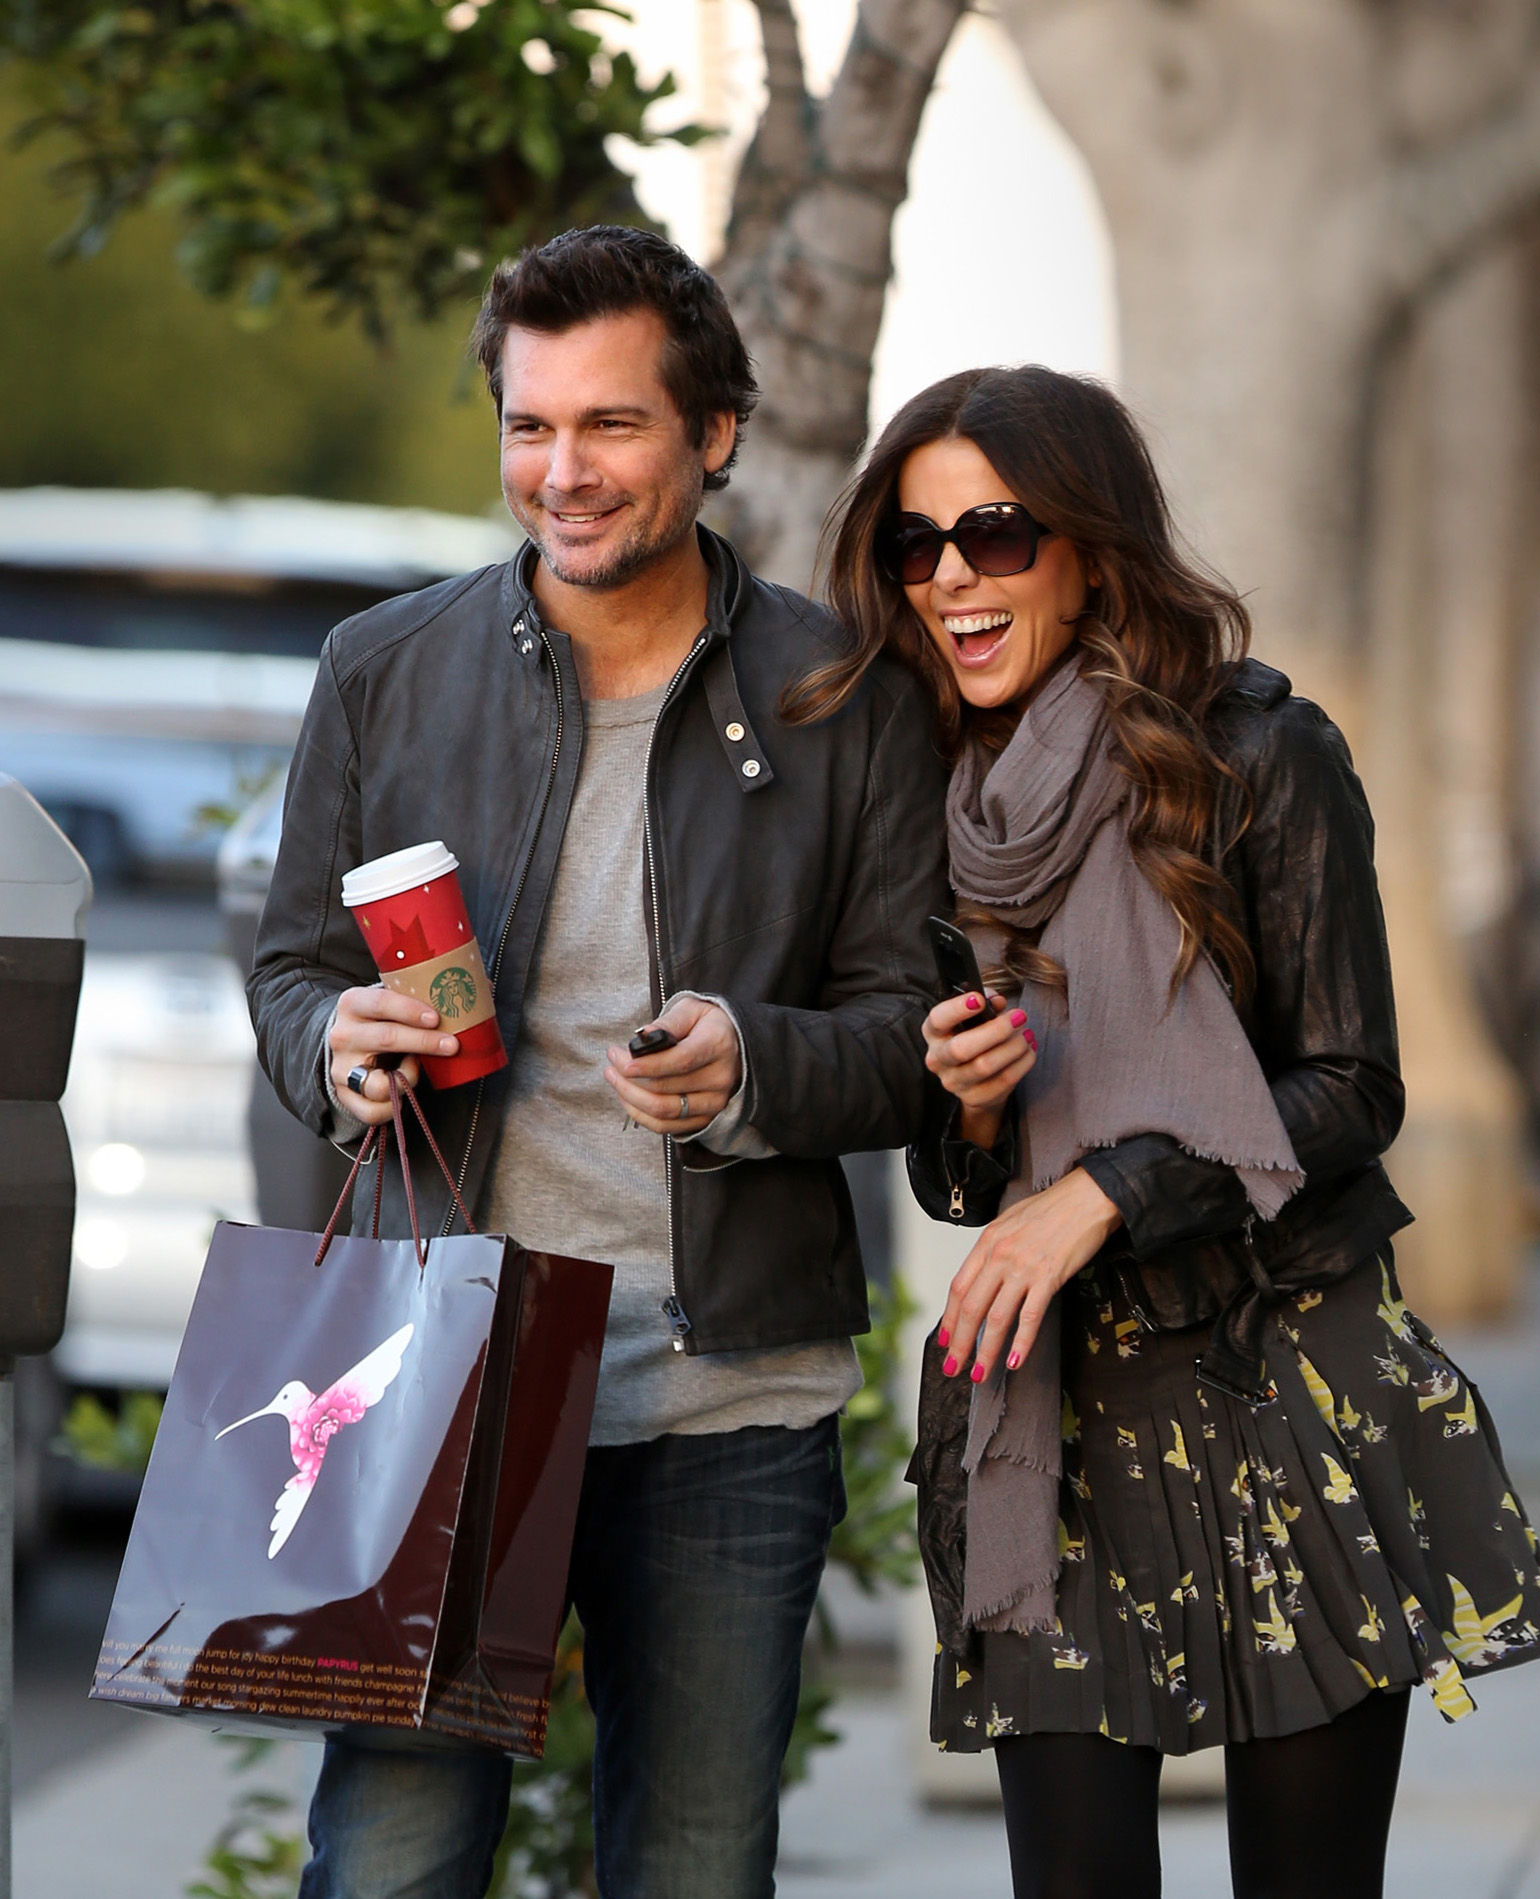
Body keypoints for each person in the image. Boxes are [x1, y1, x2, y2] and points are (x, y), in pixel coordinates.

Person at [797, 364, 1540, 1899]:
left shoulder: (1258, 757)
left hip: (1280, 1381)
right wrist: (964, 1109)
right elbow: (967, 1185)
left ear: (1092, 548)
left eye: (997, 534)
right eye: (916, 544)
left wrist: (1103, 1189)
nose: (950, 574)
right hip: (1058, 1425)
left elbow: (1353, 1090)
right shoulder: (930, 799)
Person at [247, 225, 948, 1899]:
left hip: (727, 1393)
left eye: (612, 425)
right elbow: (291, 973)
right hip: (444, 1381)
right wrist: (336, 1047)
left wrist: (754, 1068)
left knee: (696, 1871)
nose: (562, 472)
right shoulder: (383, 672)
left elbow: (915, 1037)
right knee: (393, 1864)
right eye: (529, 425)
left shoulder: (844, 692)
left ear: (715, 436)